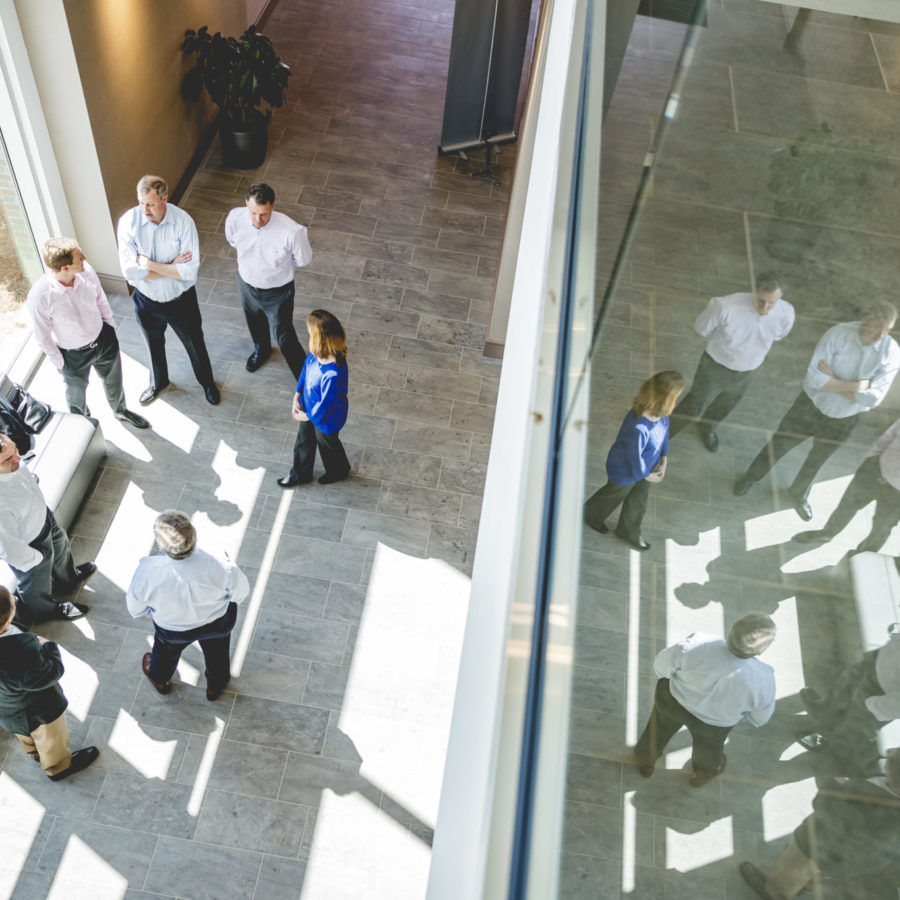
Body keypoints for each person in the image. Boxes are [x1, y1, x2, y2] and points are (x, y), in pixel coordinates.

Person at [734, 302, 900, 521]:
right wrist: (858, 386)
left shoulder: (891, 353)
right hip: (809, 406)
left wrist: (834, 381)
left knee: (818, 459)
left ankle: (799, 493)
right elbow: (814, 378)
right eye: (877, 328)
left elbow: (874, 398)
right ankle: (751, 477)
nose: (881, 335)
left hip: (844, 419)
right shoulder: (838, 334)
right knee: (779, 444)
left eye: (886, 330)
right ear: (865, 321)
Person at [634, 613, 776, 787]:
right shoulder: (763, 680)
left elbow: (661, 666)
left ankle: (645, 762)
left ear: (731, 630)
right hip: (714, 724)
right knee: (708, 752)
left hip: (672, 703)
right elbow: (759, 718)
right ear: (761, 650)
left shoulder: (697, 644)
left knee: (656, 733)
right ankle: (700, 777)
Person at [739, 747, 900, 899]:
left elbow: (822, 805)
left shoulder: (867, 798)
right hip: (850, 861)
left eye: (892, 757)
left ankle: (775, 892)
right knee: (819, 874)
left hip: (818, 843)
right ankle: (805, 886)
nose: (890, 750)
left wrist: (835, 785)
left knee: (793, 868)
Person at [116, 175, 219, 406]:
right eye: (141, 203)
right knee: (152, 346)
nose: (144, 209)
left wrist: (149, 265)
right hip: (146, 301)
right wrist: (172, 266)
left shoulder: (183, 222)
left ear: (164, 198)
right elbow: (129, 273)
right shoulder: (128, 223)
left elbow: (189, 271)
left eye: (150, 204)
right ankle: (158, 383)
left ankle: (207, 383)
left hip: (181, 301)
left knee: (195, 343)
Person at [25, 237, 149, 429]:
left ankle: (121, 410)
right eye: (78, 257)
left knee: (114, 381)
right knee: (76, 395)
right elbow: (43, 336)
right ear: (65, 268)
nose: (84, 257)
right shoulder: (40, 296)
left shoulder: (87, 271)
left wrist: (110, 328)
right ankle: (83, 426)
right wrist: (61, 363)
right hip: (73, 355)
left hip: (104, 340)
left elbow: (101, 300)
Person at [126, 510, 249, 701]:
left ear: (161, 544)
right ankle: (215, 686)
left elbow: (136, 609)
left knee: (165, 654)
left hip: (172, 629)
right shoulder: (220, 561)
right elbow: (240, 594)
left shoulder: (147, 572)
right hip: (217, 624)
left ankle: (160, 679)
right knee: (218, 653)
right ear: (194, 534)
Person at [669, 273, 793, 452]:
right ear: (754, 290)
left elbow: (781, 334)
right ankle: (662, 439)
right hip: (714, 367)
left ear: (780, 298)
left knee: (726, 405)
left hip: (749, 371)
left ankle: (708, 427)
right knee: (694, 405)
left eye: (771, 303)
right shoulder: (724, 306)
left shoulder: (786, 313)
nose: (765, 308)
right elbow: (702, 329)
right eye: (761, 300)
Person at [0, 586, 99, 780]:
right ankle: (58, 767)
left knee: (25, 735)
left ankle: (35, 753)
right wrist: (48, 645)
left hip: (6, 709)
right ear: (9, 620)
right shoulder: (19, 657)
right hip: (36, 709)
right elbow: (52, 672)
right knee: (50, 738)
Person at [583, 370, 684, 552]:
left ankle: (629, 531)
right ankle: (591, 514)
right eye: (676, 397)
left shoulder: (662, 417)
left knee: (639, 499)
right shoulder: (638, 428)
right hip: (625, 471)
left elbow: (664, 436)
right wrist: (647, 476)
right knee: (613, 495)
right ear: (665, 400)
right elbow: (634, 459)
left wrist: (664, 459)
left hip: (647, 469)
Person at [0, 431, 93, 623]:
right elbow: (11, 550)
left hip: (43, 517)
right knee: (36, 584)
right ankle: (46, 611)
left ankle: (68, 579)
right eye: (8, 459)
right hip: (30, 543)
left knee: (62, 549)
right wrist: (36, 559)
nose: (18, 458)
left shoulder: (13, 462)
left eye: (15, 449)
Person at [225, 182, 312, 379]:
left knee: (285, 336)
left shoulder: (292, 231)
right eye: (253, 213)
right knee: (254, 322)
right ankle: (262, 351)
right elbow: (231, 240)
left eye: (264, 214)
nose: (258, 219)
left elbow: (303, 259)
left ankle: (303, 378)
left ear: (272, 205)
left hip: (277, 292)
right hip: (246, 284)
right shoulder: (235, 218)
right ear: (246, 204)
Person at [794, 633, 900, 771]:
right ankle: (823, 710)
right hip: (885, 657)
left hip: (885, 690)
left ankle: (834, 751)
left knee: (857, 728)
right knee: (846, 682)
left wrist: (875, 708)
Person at [794, 417, 900, 554]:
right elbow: (890, 435)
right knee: (847, 505)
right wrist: (871, 458)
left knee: (882, 526)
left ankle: (864, 555)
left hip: (896, 493)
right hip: (874, 470)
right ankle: (827, 533)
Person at [277, 309, 351, 488]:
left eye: (310, 333)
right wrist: (297, 394)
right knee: (304, 440)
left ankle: (338, 470)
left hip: (327, 417)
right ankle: (300, 473)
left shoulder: (332, 373)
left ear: (320, 338)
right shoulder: (314, 355)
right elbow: (304, 371)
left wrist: (307, 416)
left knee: (328, 444)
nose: (308, 335)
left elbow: (326, 404)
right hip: (309, 407)